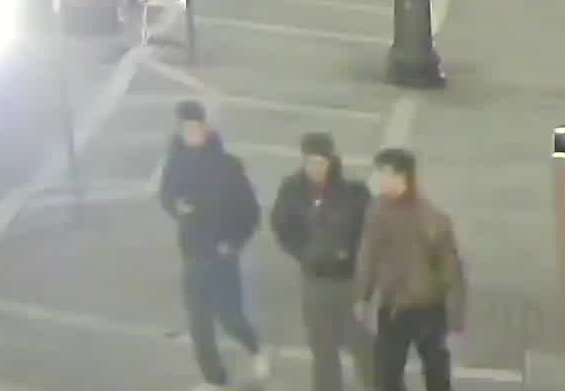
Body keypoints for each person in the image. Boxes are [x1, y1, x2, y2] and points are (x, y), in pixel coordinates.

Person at [158, 101, 270, 386]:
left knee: (230, 317)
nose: (191, 134)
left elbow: (250, 212)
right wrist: (175, 205)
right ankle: (214, 379)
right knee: (199, 324)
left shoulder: (227, 165)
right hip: (192, 253)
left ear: (206, 128)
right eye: (186, 129)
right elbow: (166, 193)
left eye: (196, 128)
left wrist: (233, 242)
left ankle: (255, 348)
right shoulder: (175, 161)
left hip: (222, 255)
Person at [355, 148, 465, 390]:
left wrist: (455, 323)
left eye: (385, 174)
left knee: (436, 376)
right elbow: (368, 257)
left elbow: (452, 274)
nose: (380, 180)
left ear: (403, 176)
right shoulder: (376, 211)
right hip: (392, 307)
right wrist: (362, 297)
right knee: (386, 376)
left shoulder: (431, 219)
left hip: (428, 309)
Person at [268, 133, 370, 391]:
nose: (316, 168)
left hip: (349, 280)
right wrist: (304, 253)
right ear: (303, 161)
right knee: (323, 348)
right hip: (314, 281)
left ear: (331, 161)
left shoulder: (353, 191)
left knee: (362, 344)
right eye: (310, 162)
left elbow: (369, 231)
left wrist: (351, 254)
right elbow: (281, 226)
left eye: (321, 162)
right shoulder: (291, 189)